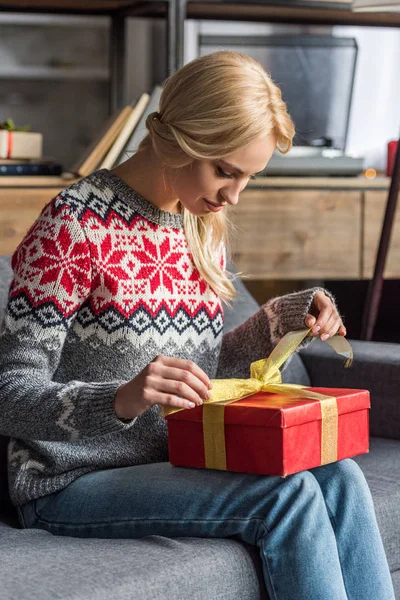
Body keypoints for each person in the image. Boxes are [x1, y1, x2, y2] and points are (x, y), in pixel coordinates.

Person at [0, 51, 394, 600]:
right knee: (290, 498)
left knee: (342, 478)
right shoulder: (72, 226)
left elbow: (200, 376)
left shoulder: (200, 222)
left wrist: (280, 320)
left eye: (248, 177)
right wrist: (118, 398)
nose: (233, 195)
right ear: (179, 140)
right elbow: (9, 392)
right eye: (226, 171)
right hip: (69, 481)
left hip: (179, 458)